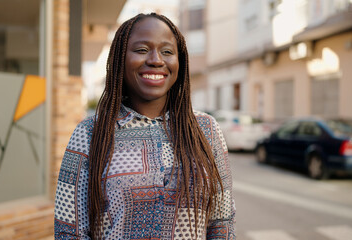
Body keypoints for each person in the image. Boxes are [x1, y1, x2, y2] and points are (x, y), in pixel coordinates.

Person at [54, 13, 235, 240]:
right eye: (141, 50)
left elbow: (222, 222)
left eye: (167, 51)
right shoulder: (90, 133)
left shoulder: (205, 129)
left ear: (180, 61)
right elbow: (69, 231)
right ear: (121, 59)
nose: (156, 60)